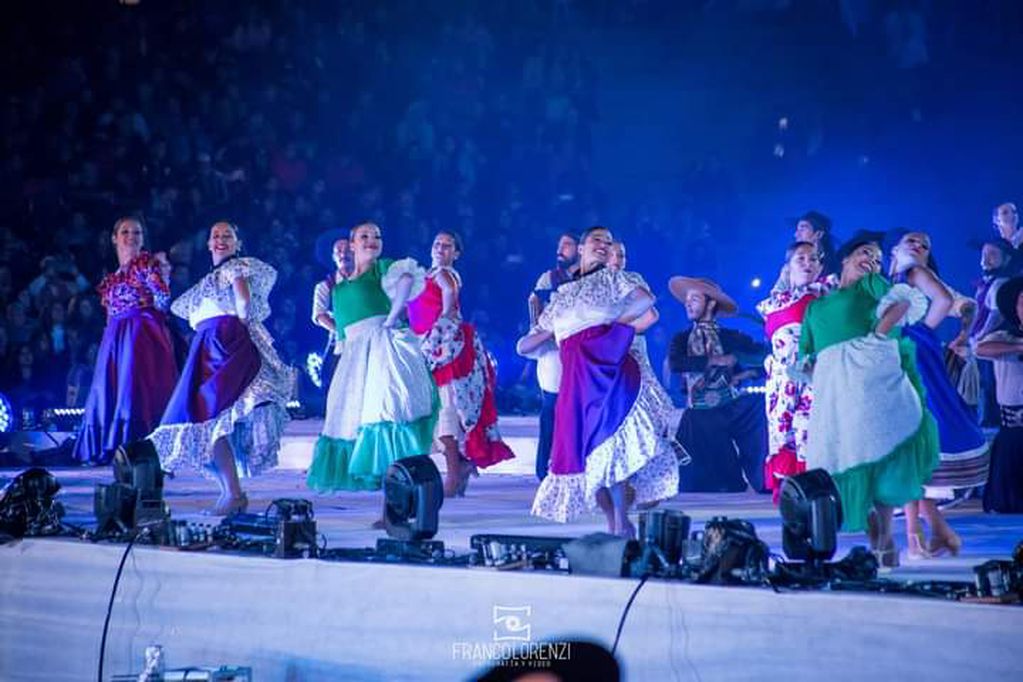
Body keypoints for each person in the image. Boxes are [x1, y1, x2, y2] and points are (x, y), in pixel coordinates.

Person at [517, 226, 678, 537]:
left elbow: (647, 303)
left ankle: (622, 520)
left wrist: (611, 328)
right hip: (575, 381)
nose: (603, 245)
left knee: (611, 444)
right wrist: (538, 335)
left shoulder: (616, 278)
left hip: (608, 369)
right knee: (588, 454)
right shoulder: (562, 296)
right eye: (596, 240)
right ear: (581, 248)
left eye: (608, 241)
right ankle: (613, 521)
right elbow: (527, 343)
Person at [798, 230, 939, 567]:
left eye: (877, 257)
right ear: (845, 257)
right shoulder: (815, 306)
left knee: (877, 450)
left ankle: (887, 538)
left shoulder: (871, 285)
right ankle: (877, 539)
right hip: (835, 387)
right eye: (865, 253)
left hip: (868, 376)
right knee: (850, 454)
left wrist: (877, 335)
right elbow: (808, 354)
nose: (872, 261)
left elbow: (904, 302)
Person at [148, 222, 293, 515]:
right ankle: (231, 491)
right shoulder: (211, 279)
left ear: (238, 243)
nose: (221, 240)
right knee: (203, 421)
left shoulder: (235, 268)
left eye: (228, 235)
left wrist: (238, 323)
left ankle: (233, 493)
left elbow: (244, 299)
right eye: (216, 235)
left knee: (206, 418)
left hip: (222, 345)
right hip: (209, 347)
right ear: (208, 244)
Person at [306, 222, 436, 502]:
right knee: (355, 425)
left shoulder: (383, 268)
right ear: (351, 244)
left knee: (386, 417)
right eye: (364, 236)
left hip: (381, 351)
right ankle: (392, 502)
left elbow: (407, 279)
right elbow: (341, 332)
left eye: (376, 236)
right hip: (355, 359)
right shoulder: (338, 288)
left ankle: (400, 503)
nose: (372, 240)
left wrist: (393, 316)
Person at [888, 230, 987, 557]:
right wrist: (961, 332)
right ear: (895, 249)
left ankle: (917, 535)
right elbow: (967, 307)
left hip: (912, 357)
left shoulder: (914, 273)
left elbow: (948, 301)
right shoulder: (888, 279)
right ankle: (936, 532)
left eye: (925, 245)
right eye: (912, 242)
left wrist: (923, 328)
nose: (918, 247)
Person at [407, 231, 515, 496]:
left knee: (444, 413)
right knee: (439, 413)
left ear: (456, 254)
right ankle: (461, 468)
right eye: (437, 244)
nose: (440, 248)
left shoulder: (445, 275)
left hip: (446, 348)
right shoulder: (427, 275)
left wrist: (435, 338)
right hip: (431, 346)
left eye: (447, 246)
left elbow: (448, 307)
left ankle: (454, 476)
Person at [73, 217, 178, 465]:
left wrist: (166, 277)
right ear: (114, 238)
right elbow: (109, 313)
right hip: (115, 337)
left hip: (139, 334)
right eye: (125, 231)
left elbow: (163, 299)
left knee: (134, 390)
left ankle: (138, 447)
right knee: (109, 388)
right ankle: (110, 446)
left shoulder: (145, 263)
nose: (131, 236)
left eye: (137, 232)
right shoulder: (113, 277)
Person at [666, 277, 768, 493]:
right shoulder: (682, 339)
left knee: (759, 404)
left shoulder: (731, 337)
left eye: (694, 298)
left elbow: (762, 357)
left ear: (711, 303)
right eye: (687, 299)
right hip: (701, 409)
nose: (688, 303)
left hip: (730, 404)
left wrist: (741, 366)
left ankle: (764, 476)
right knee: (705, 478)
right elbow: (676, 363)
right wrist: (715, 360)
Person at [755, 242, 830, 502]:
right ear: (787, 267)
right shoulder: (774, 301)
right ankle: (792, 498)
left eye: (813, 259)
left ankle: (815, 496)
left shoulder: (824, 292)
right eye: (801, 259)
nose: (808, 263)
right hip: (781, 379)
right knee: (782, 434)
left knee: (807, 431)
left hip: (813, 375)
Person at [526, 232, 579, 481]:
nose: (560, 249)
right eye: (559, 245)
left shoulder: (589, 280)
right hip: (554, 354)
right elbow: (537, 317)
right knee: (551, 409)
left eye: (567, 245)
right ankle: (544, 469)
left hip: (581, 355)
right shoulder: (549, 279)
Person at [975, 276, 1023, 514]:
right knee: (1007, 504)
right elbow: (981, 349)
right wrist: (1019, 347)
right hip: (1013, 426)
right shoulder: (1005, 336)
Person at [311, 238, 353, 391]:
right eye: (339, 252)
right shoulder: (325, 286)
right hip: (340, 342)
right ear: (334, 257)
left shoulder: (366, 281)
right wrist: (341, 331)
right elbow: (320, 315)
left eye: (348, 250)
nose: (344, 254)